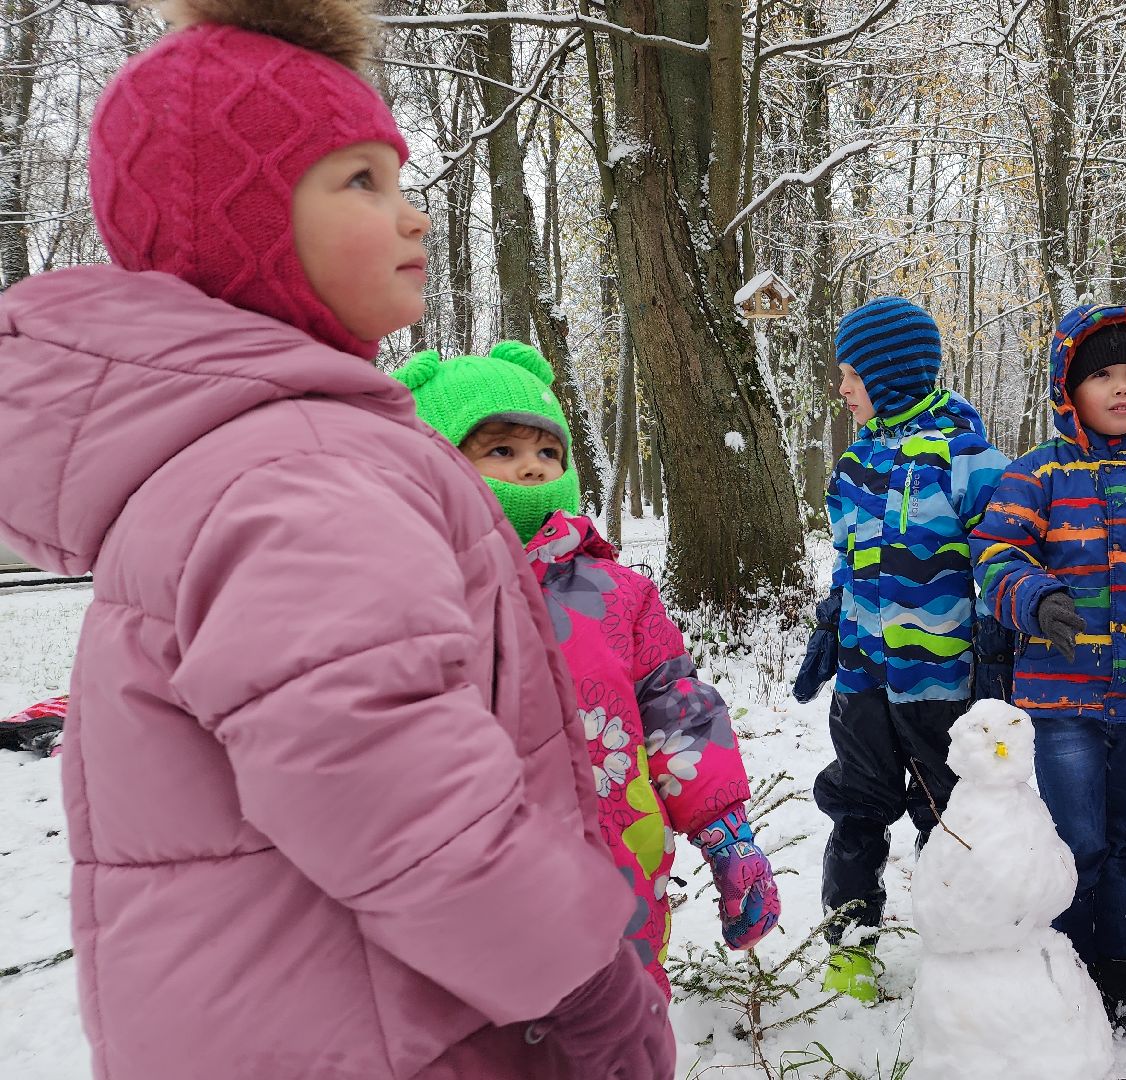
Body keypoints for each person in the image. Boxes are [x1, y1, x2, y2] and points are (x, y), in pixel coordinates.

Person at [0, 4, 669, 1079]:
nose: (412, 218)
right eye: (359, 182)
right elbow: (391, 788)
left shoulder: (268, 447)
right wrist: (585, 982)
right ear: (239, 221)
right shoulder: (299, 474)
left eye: (400, 180)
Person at [401, 341, 781, 993]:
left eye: (546, 452)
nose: (530, 468)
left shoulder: (618, 595)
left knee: (620, 1024)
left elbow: (678, 712)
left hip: (614, 878)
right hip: (457, 893)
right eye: (500, 451)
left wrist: (728, 833)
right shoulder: (407, 593)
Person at [971, 304, 1126, 1033]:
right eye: (1101, 375)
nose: (1121, 389)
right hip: (1063, 699)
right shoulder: (1036, 473)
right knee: (1078, 837)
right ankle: (1073, 959)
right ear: (1068, 390)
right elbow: (995, 556)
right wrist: (1035, 599)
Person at [812, 297, 1009, 1002]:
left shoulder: (972, 462)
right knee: (856, 806)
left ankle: (958, 942)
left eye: (851, 375)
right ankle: (851, 944)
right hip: (864, 680)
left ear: (888, 376)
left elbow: (1000, 561)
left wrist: (995, 652)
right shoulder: (853, 465)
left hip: (941, 684)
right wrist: (830, 625)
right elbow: (846, 559)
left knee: (949, 814)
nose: (842, 388)